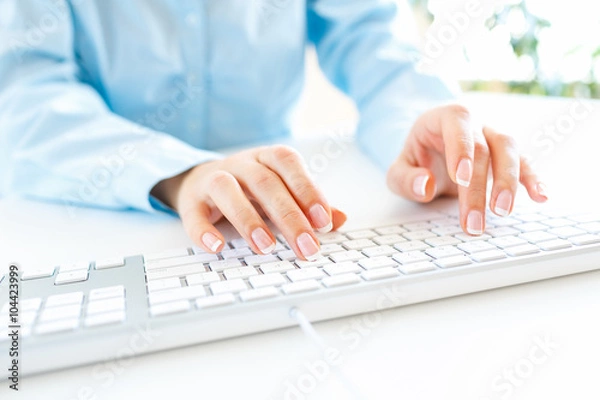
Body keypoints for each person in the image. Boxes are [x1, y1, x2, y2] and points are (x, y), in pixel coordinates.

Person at [0, 0, 547, 261]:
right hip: (91, 225)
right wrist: (181, 174)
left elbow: (370, 43)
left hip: (274, 220)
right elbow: (26, 97)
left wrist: (422, 131)